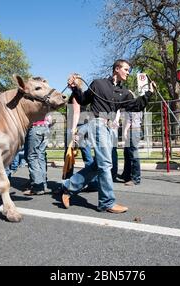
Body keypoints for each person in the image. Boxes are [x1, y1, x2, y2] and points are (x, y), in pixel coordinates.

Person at [62, 59, 155, 213]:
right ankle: (106, 202)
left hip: (110, 127)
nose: (128, 72)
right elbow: (83, 99)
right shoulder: (98, 83)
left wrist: (149, 92)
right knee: (106, 163)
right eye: (126, 69)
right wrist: (75, 88)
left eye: (129, 70)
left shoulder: (124, 93)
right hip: (97, 123)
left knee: (100, 164)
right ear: (116, 68)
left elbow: (136, 105)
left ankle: (68, 186)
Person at [22, 115, 53, 195]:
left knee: (32, 157)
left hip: (36, 127)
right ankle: (43, 185)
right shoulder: (46, 103)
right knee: (41, 157)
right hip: (46, 128)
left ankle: (38, 186)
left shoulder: (33, 102)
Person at [121, 111, 143, 184]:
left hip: (132, 130)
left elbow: (130, 119)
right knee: (128, 154)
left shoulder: (132, 106)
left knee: (133, 156)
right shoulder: (137, 105)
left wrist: (125, 130)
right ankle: (127, 175)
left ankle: (135, 178)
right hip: (135, 130)